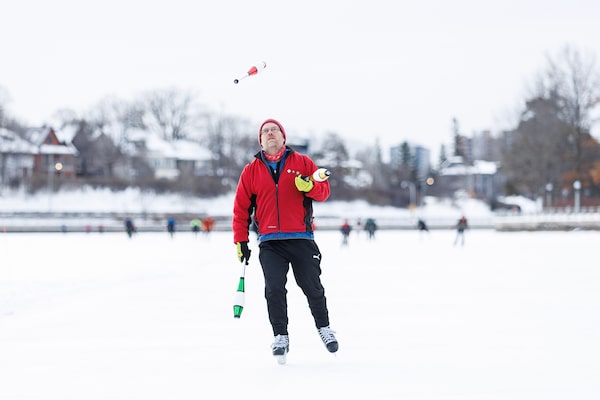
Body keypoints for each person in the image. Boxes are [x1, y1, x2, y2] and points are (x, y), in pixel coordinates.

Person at [232, 118, 338, 363]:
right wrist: (241, 241)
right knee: (274, 289)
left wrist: (309, 187)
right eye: (265, 131)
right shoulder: (251, 170)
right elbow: (241, 209)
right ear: (260, 141)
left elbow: (324, 192)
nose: (270, 133)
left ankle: (324, 328)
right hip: (270, 242)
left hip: (301, 238)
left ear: (283, 137)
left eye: (275, 130)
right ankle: (280, 336)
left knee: (312, 286)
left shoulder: (303, 162)